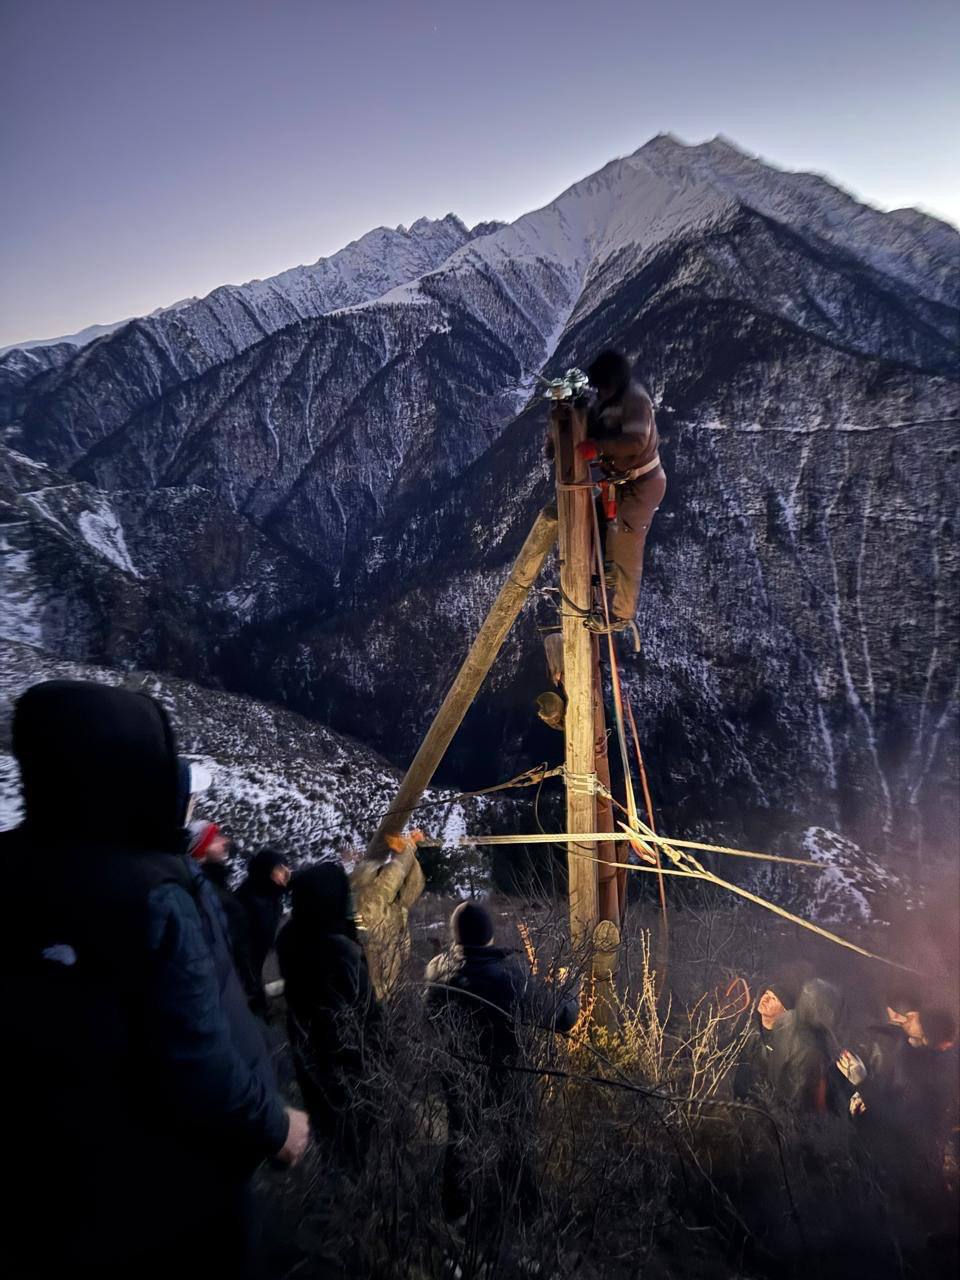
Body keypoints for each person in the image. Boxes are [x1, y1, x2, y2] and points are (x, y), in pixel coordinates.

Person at [0, 679, 308, 1279]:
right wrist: (275, 1126)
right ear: (134, 779)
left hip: (52, 1185)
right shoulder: (151, 895)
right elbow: (198, 1057)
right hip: (171, 1192)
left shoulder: (17, 868)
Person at [425, 901, 578, 1224]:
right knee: (516, 1143)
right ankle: (524, 1216)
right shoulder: (505, 978)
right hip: (505, 1080)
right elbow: (562, 1018)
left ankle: (456, 1215)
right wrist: (569, 990)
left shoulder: (436, 969)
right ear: (490, 935)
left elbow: (431, 1017)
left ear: (456, 936)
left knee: (460, 1138)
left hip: (456, 1077)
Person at [277, 861, 382, 1171]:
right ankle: (353, 1197)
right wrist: (375, 1053)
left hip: (307, 1052)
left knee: (328, 1130)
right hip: (347, 1066)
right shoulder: (336, 951)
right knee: (351, 1137)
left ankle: (338, 1182)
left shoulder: (290, 936)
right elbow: (353, 1016)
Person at [577, 348, 666, 634]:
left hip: (642, 485)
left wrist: (599, 447)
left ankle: (621, 614)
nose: (599, 392)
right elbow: (593, 420)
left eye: (602, 387)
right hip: (621, 482)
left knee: (628, 542)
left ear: (613, 383)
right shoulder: (608, 399)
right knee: (599, 521)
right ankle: (605, 572)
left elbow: (635, 442)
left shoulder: (635, 401)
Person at [188, 818, 259, 1002]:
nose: (224, 841)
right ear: (201, 850)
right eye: (214, 838)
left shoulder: (214, 883)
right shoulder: (206, 891)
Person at [352, 829, 426, 997]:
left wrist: (409, 855)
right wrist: (408, 848)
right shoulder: (370, 898)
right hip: (375, 991)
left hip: (393, 984)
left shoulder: (393, 905)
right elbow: (393, 876)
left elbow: (414, 887)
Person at [733, 968, 804, 1103]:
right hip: (738, 1103)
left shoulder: (788, 1045)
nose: (765, 998)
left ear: (784, 1011)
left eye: (773, 998)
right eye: (766, 993)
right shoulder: (749, 1026)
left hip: (765, 1112)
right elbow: (729, 1047)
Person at [236, 845, 291, 1016]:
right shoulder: (247, 900)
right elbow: (241, 943)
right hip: (248, 957)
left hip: (260, 951)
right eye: (279, 870)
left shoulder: (271, 892)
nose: (285, 874)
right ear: (266, 872)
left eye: (284, 868)